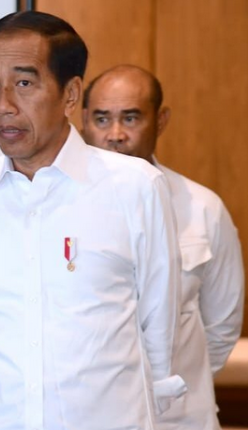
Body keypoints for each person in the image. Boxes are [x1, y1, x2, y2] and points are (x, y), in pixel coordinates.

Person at [0, 11, 186, 429]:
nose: (3, 105)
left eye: (24, 83)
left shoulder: (135, 187)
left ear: (71, 95)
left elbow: (158, 335)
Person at [82, 64, 245, 430]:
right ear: (83, 122)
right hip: (90, 416)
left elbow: (221, 327)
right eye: (102, 119)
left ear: (160, 121)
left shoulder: (202, 207)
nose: (116, 134)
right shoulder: (60, 209)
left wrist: (169, 386)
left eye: (131, 118)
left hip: (178, 417)